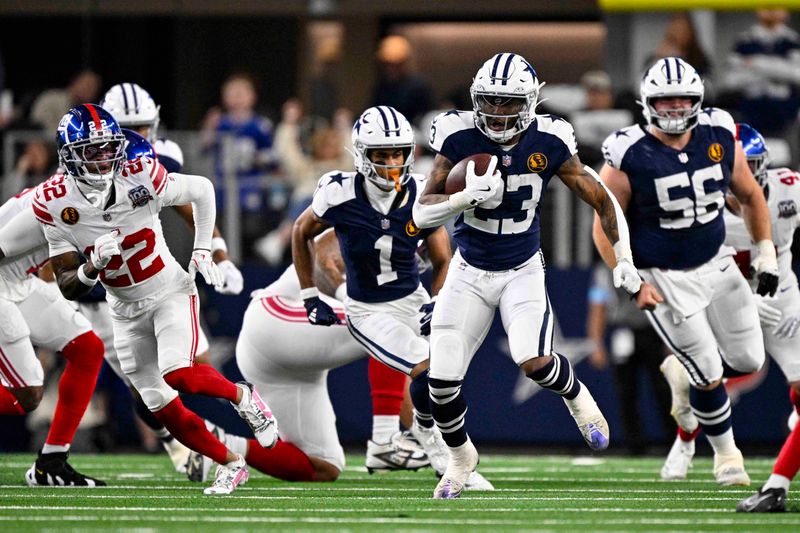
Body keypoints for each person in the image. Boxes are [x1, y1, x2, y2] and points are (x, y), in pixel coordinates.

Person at [413, 52, 647, 499]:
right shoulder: (457, 133)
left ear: (531, 102)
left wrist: (624, 259)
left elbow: (601, 197)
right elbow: (422, 213)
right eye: (491, 102)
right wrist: (460, 200)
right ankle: (461, 459)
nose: (498, 113)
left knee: (535, 361)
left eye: (508, 102)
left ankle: (577, 398)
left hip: (520, 268)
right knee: (441, 382)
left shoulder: (551, 137)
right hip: (468, 268)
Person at [24, 103, 276, 495]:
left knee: (178, 372)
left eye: (109, 148)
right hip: (122, 309)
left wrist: (204, 251)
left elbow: (203, 190)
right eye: (93, 151)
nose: (105, 158)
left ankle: (242, 395)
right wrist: (92, 266)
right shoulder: (54, 202)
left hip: (167, 292)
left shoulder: (139, 171)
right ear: (69, 156)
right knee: (158, 406)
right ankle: (231, 464)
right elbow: (68, 283)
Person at [593, 57, 778, 487]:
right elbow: (605, 222)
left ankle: (684, 373)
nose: (675, 107)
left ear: (698, 99)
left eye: (683, 98)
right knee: (710, 370)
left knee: (749, 358)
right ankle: (728, 457)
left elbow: (749, 195)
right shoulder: (626, 150)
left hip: (717, 262)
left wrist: (765, 251)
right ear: (647, 102)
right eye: (665, 99)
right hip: (664, 276)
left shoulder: (717, 131)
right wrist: (630, 277)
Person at [186, 230, 448, 483]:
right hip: (275, 322)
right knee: (389, 321)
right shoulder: (359, 216)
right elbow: (323, 255)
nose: (418, 259)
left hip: (284, 358)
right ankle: (384, 440)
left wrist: (430, 437)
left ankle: (219, 442)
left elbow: (396, 366)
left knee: (324, 465)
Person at [293, 105, 463, 481]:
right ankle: (439, 451)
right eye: (381, 155)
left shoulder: (421, 191)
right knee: (427, 368)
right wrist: (310, 295)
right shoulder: (338, 191)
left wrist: (436, 302)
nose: (391, 162)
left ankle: (399, 439)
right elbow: (301, 232)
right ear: (361, 155)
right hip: (367, 308)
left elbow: (442, 259)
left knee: (449, 372)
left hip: (412, 300)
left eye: (397, 153)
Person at [97, 84, 245, 468]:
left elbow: (192, 205)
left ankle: (196, 439)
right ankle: (179, 447)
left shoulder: (156, 158)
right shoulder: (85, 168)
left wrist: (218, 253)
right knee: (147, 389)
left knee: (199, 363)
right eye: (128, 128)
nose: (137, 137)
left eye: (143, 127)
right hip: (105, 294)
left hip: (154, 284)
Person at [0, 186, 106, 486]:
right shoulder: (54, 203)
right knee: (29, 395)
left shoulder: (81, 196)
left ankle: (51, 463)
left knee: (87, 349)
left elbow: (55, 268)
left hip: (18, 282)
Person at [586, 260, 673, 455]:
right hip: (623, 330)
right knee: (626, 391)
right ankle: (634, 444)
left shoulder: (650, 262)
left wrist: (672, 338)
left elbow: (668, 299)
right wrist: (596, 344)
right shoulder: (604, 269)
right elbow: (597, 305)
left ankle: (676, 442)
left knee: (663, 389)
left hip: (653, 330)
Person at [724, 9, 800, 163]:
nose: (771, 9)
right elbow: (731, 80)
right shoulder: (744, 41)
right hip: (751, 114)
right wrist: (780, 70)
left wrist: (756, 63)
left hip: (786, 116)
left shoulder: (793, 41)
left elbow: (796, 74)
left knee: (790, 164)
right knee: (748, 163)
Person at [371, 36, 434, 125]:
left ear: (405, 63)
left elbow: (427, 120)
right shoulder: (382, 86)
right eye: (388, 64)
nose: (391, 68)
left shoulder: (418, 87)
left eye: (397, 64)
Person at [29, 70, 101, 133]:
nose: (91, 90)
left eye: (95, 88)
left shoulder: (89, 110)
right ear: (75, 82)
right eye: (88, 85)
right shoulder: (51, 98)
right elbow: (39, 127)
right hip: (45, 142)